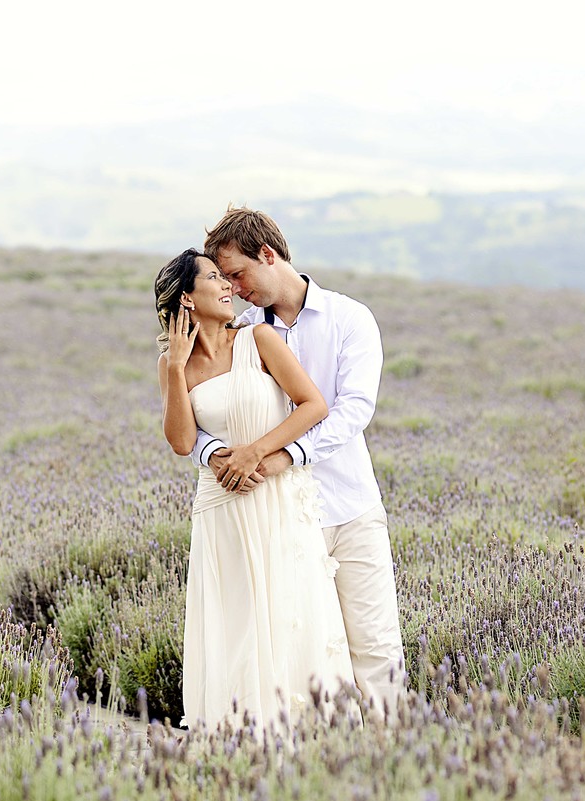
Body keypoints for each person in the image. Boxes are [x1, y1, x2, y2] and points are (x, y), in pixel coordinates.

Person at [192, 206, 405, 720]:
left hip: (348, 509)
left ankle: (391, 766)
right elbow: (208, 412)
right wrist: (212, 454)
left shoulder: (349, 318)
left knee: (374, 650)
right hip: (279, 520)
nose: (236, 289)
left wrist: (283, 454)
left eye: (239, 274)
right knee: (299, 656)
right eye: (226, 280)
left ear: (268, 255)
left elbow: (354, 409)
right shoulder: (243, 333)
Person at [154, 248, 356, 731]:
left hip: (277, 499)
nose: (229, 287)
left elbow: (313, 405)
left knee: (292, 616)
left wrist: (256, 452)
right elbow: (182, 442)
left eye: (229, 278)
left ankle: (309, 745)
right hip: (220, 510)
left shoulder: (259, 338)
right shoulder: (170, 364)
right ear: (187, 299)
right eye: (215, 279)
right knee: (237, 627)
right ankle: (241, 745)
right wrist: (179, 368)